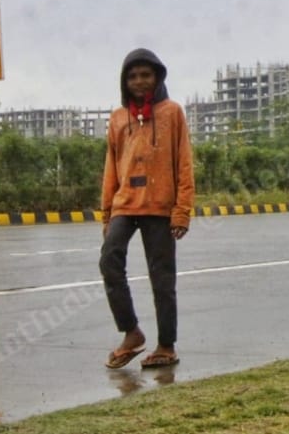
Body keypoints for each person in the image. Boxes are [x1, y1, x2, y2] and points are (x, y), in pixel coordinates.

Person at [100, 48, 194, 369]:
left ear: (157, 77)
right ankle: (131, 332)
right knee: (109, 260)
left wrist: (182, 211)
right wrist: (106, 214)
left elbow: (183, 164)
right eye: (132, 76)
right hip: (124, 205)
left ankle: (166, 346)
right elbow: (111, 169)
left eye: (146, 75)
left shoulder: (172, 113)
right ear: (124, 82)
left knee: (162, 279)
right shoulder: (117, 118)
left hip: (160, 206)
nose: (139, 81)